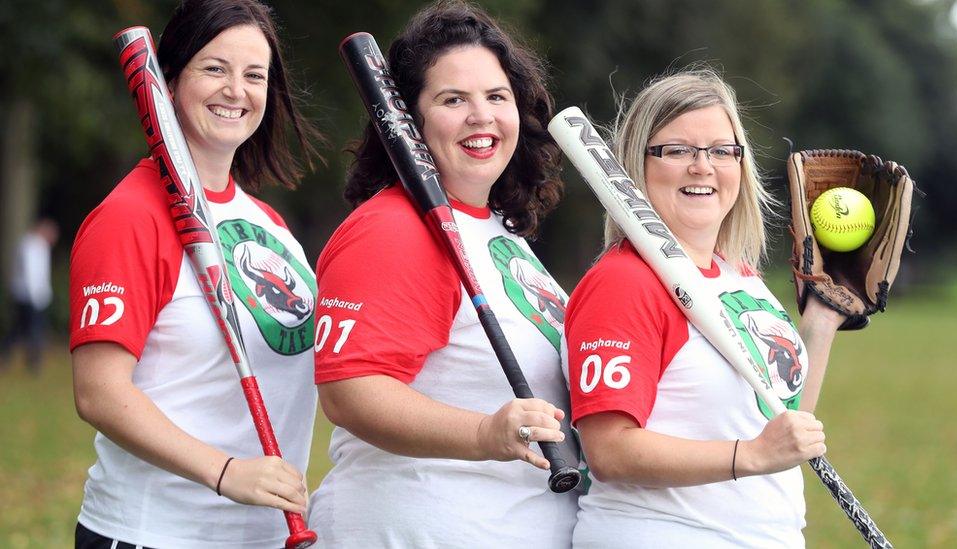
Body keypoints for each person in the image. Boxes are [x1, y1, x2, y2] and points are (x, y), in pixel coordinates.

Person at [307, 1, 578, 546]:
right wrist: (483, 432)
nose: (482, 116)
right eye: (454, 99)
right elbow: (352, 389)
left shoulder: (500, 233)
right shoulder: (394, 228)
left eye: (496, 96)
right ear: (411, 118)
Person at [69, 1, 324, 547]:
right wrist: (226, 471)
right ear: (170, 80)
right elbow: (99, 393)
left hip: (261, 533)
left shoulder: (270, 226)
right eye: (215, 68)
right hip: (155, 532)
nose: (236, 90)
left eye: (254, 75)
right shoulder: (129, 216)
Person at [564, 69, 845, 548]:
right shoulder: (624, 282)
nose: (703, 166)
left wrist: (822, 319)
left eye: (721, 150)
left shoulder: (739, 278)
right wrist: (750, 455)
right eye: (677, 150)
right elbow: (609, 451)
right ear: (637, 164)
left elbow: (780, 425)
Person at [1, 218, 58, 374]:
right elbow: (31, 273)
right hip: (28, 296)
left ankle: (24, 359)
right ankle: (34, 362)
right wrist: (37, 298)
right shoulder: (32, 245)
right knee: (32, 330)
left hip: (31, 296)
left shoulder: (38, 245)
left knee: (19, 329)